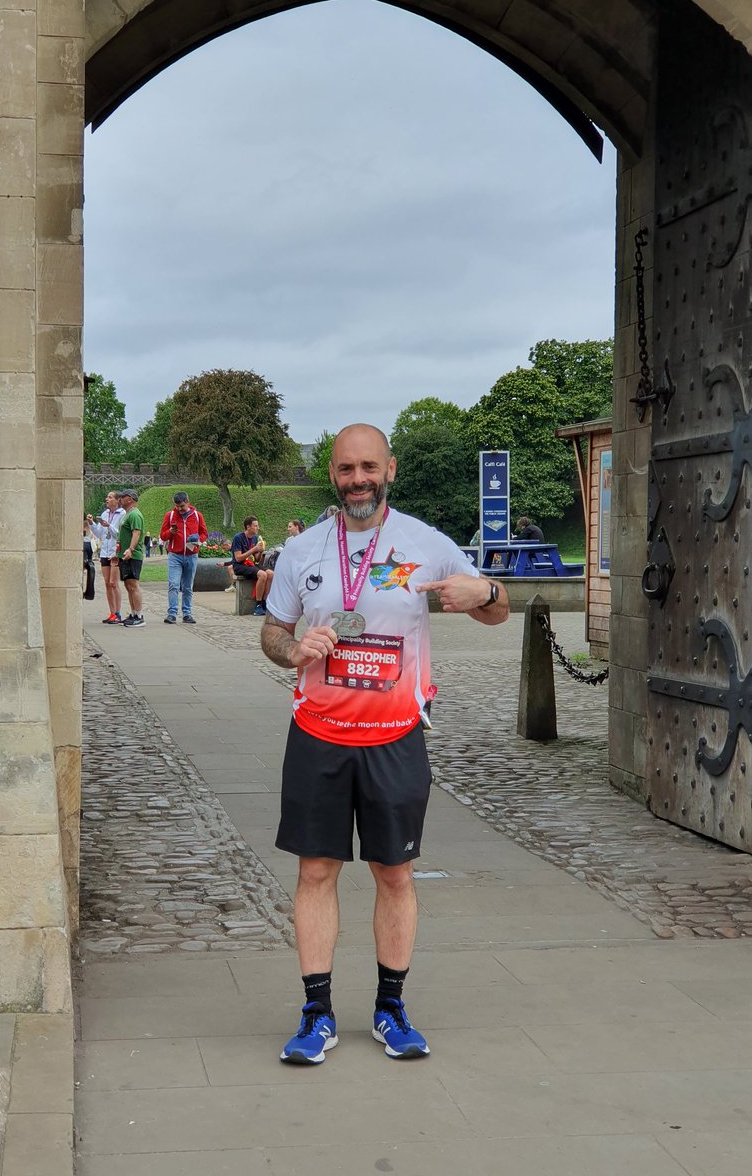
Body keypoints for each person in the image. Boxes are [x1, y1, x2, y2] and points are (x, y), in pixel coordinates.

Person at [261, 423, 509, 1065]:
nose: (358, 480)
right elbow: (272, 632)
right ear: (334, 474)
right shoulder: (304, 550)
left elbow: (497, 609)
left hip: (395, 737)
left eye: (368, 467)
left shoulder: (424, 544)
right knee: (316, 871)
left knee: (394, 873)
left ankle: (391, 1009)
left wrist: (483, 591)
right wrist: (294, 650)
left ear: (389, 468)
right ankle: (317, 1015)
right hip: (318, 734)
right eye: (346, 469)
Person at [160, 492, 208, 624]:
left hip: (192, 555)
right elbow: (163, 536)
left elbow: (204, 533)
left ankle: (187, 613)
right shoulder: (170, 516)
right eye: (177, 506)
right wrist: (171, 532)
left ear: (188, 502)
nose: (179, 509)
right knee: (174, 584)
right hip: (175, 555)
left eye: (182, 506)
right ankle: (172, 613)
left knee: (187, 587)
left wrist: (198, 539)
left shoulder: (198, 516)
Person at [86, 490, 125, 623]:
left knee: (114, 583)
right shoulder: (105, 513)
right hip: (104, 551)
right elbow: (99, 534)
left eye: (110, 497)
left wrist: (109, 526)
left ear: (117, 500)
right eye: (107, 497)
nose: (107, 499)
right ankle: (112, 612)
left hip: (115, 552)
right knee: (107, 583)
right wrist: (92, 524)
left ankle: (118, 613)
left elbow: (120, 534)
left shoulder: (122, 514)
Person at [231, 515, 273, 616]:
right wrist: (254, 549)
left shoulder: (254, 538)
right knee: (262, 575)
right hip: (239, 565)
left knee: (271, 574)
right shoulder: (238, 538)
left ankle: (264, 602)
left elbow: (257, 559)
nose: (258, 528)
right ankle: (258, 605)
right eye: (255, 526)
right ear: (248, 527)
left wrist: (260, 552)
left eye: (257, 526)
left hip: (251, 564)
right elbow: (238, 558)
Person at [116, 489, 146, 627]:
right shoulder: (127, 514)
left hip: (132, 555)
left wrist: (131, 549)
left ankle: (139, 615)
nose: (120, 499)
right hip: (125, 555)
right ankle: (134, 613)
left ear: (130, 499)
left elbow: (136, 533)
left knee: (133, 584)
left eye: (123, 497)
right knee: (128, 585)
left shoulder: (135, 514)